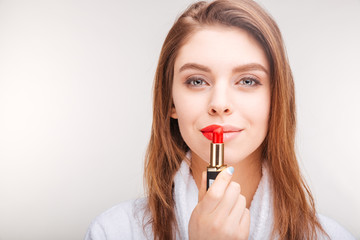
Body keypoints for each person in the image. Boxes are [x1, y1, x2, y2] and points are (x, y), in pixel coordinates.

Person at [85, 0, 355, 239]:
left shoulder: (331, 236)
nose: (220, 104)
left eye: (248, 80)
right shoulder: (114, 231)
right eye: (197, 81)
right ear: (170, 102)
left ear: (276, 100)